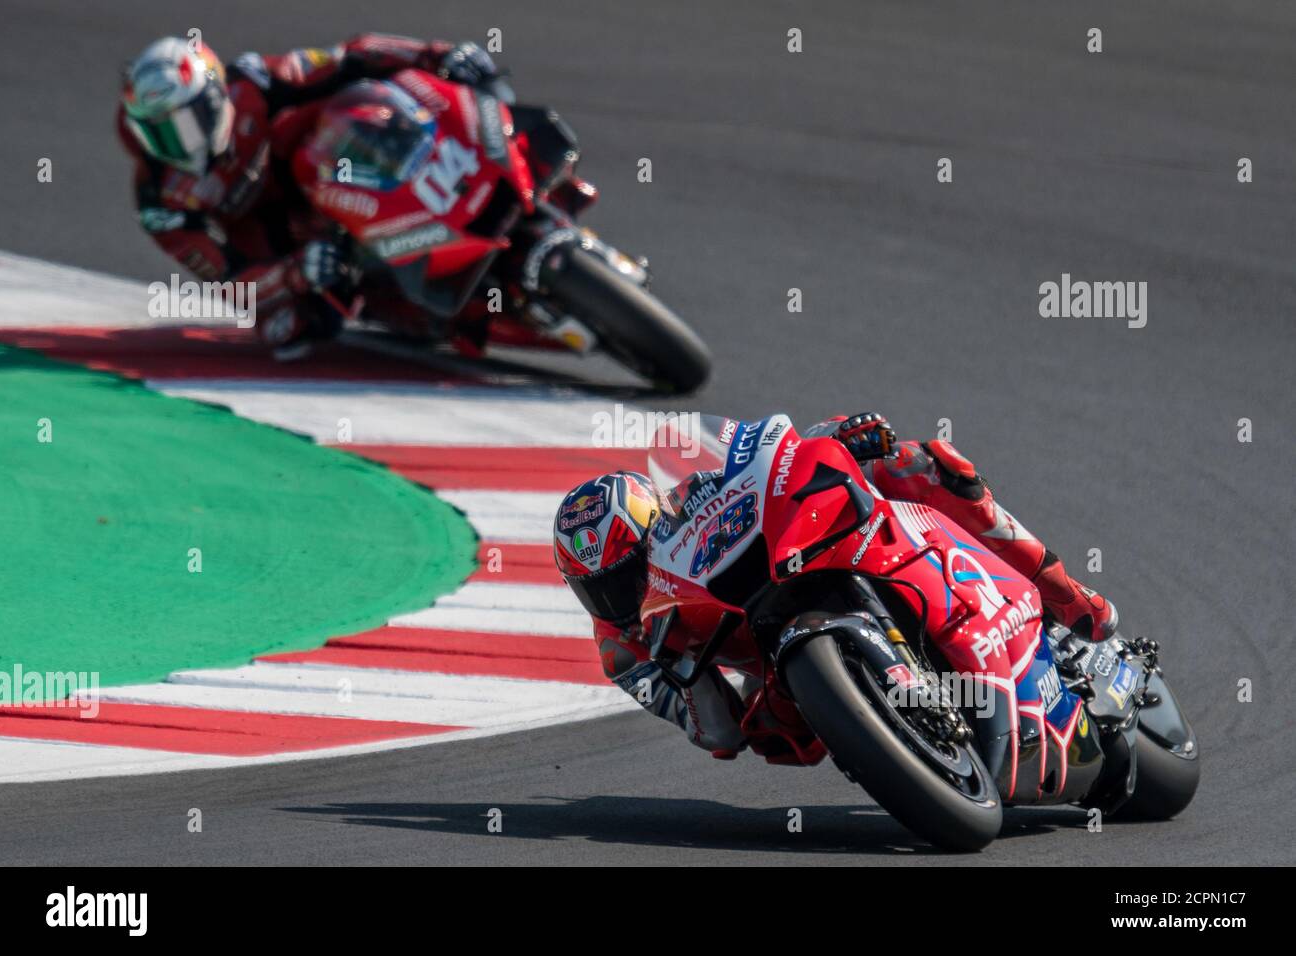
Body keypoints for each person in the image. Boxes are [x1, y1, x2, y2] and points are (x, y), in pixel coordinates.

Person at [552, 413, 1117, 756]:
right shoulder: (620, 648)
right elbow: (719, 734)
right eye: (597, 590)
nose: (616, 600)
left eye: (626, 575)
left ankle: (1064, 595)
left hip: (790, 562)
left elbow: (772, 461)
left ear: (652, 532)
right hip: (774, 670)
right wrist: (680, 676)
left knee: (915, 464)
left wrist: (842, 435)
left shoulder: (685, 503)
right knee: (773, 733)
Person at [117, 33, 501, 358]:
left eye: (183, 125)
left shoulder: (255, 80)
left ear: (215, 97)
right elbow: (228, 279)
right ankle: (441, 306)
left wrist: (435, 54)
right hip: (281, 237)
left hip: (336, 165)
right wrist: (294, 274)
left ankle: (478, 160)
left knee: (382, 96)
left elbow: (351, 56)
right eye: (158, 133)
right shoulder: (161, 199)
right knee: (287, 330)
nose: (176, 144)